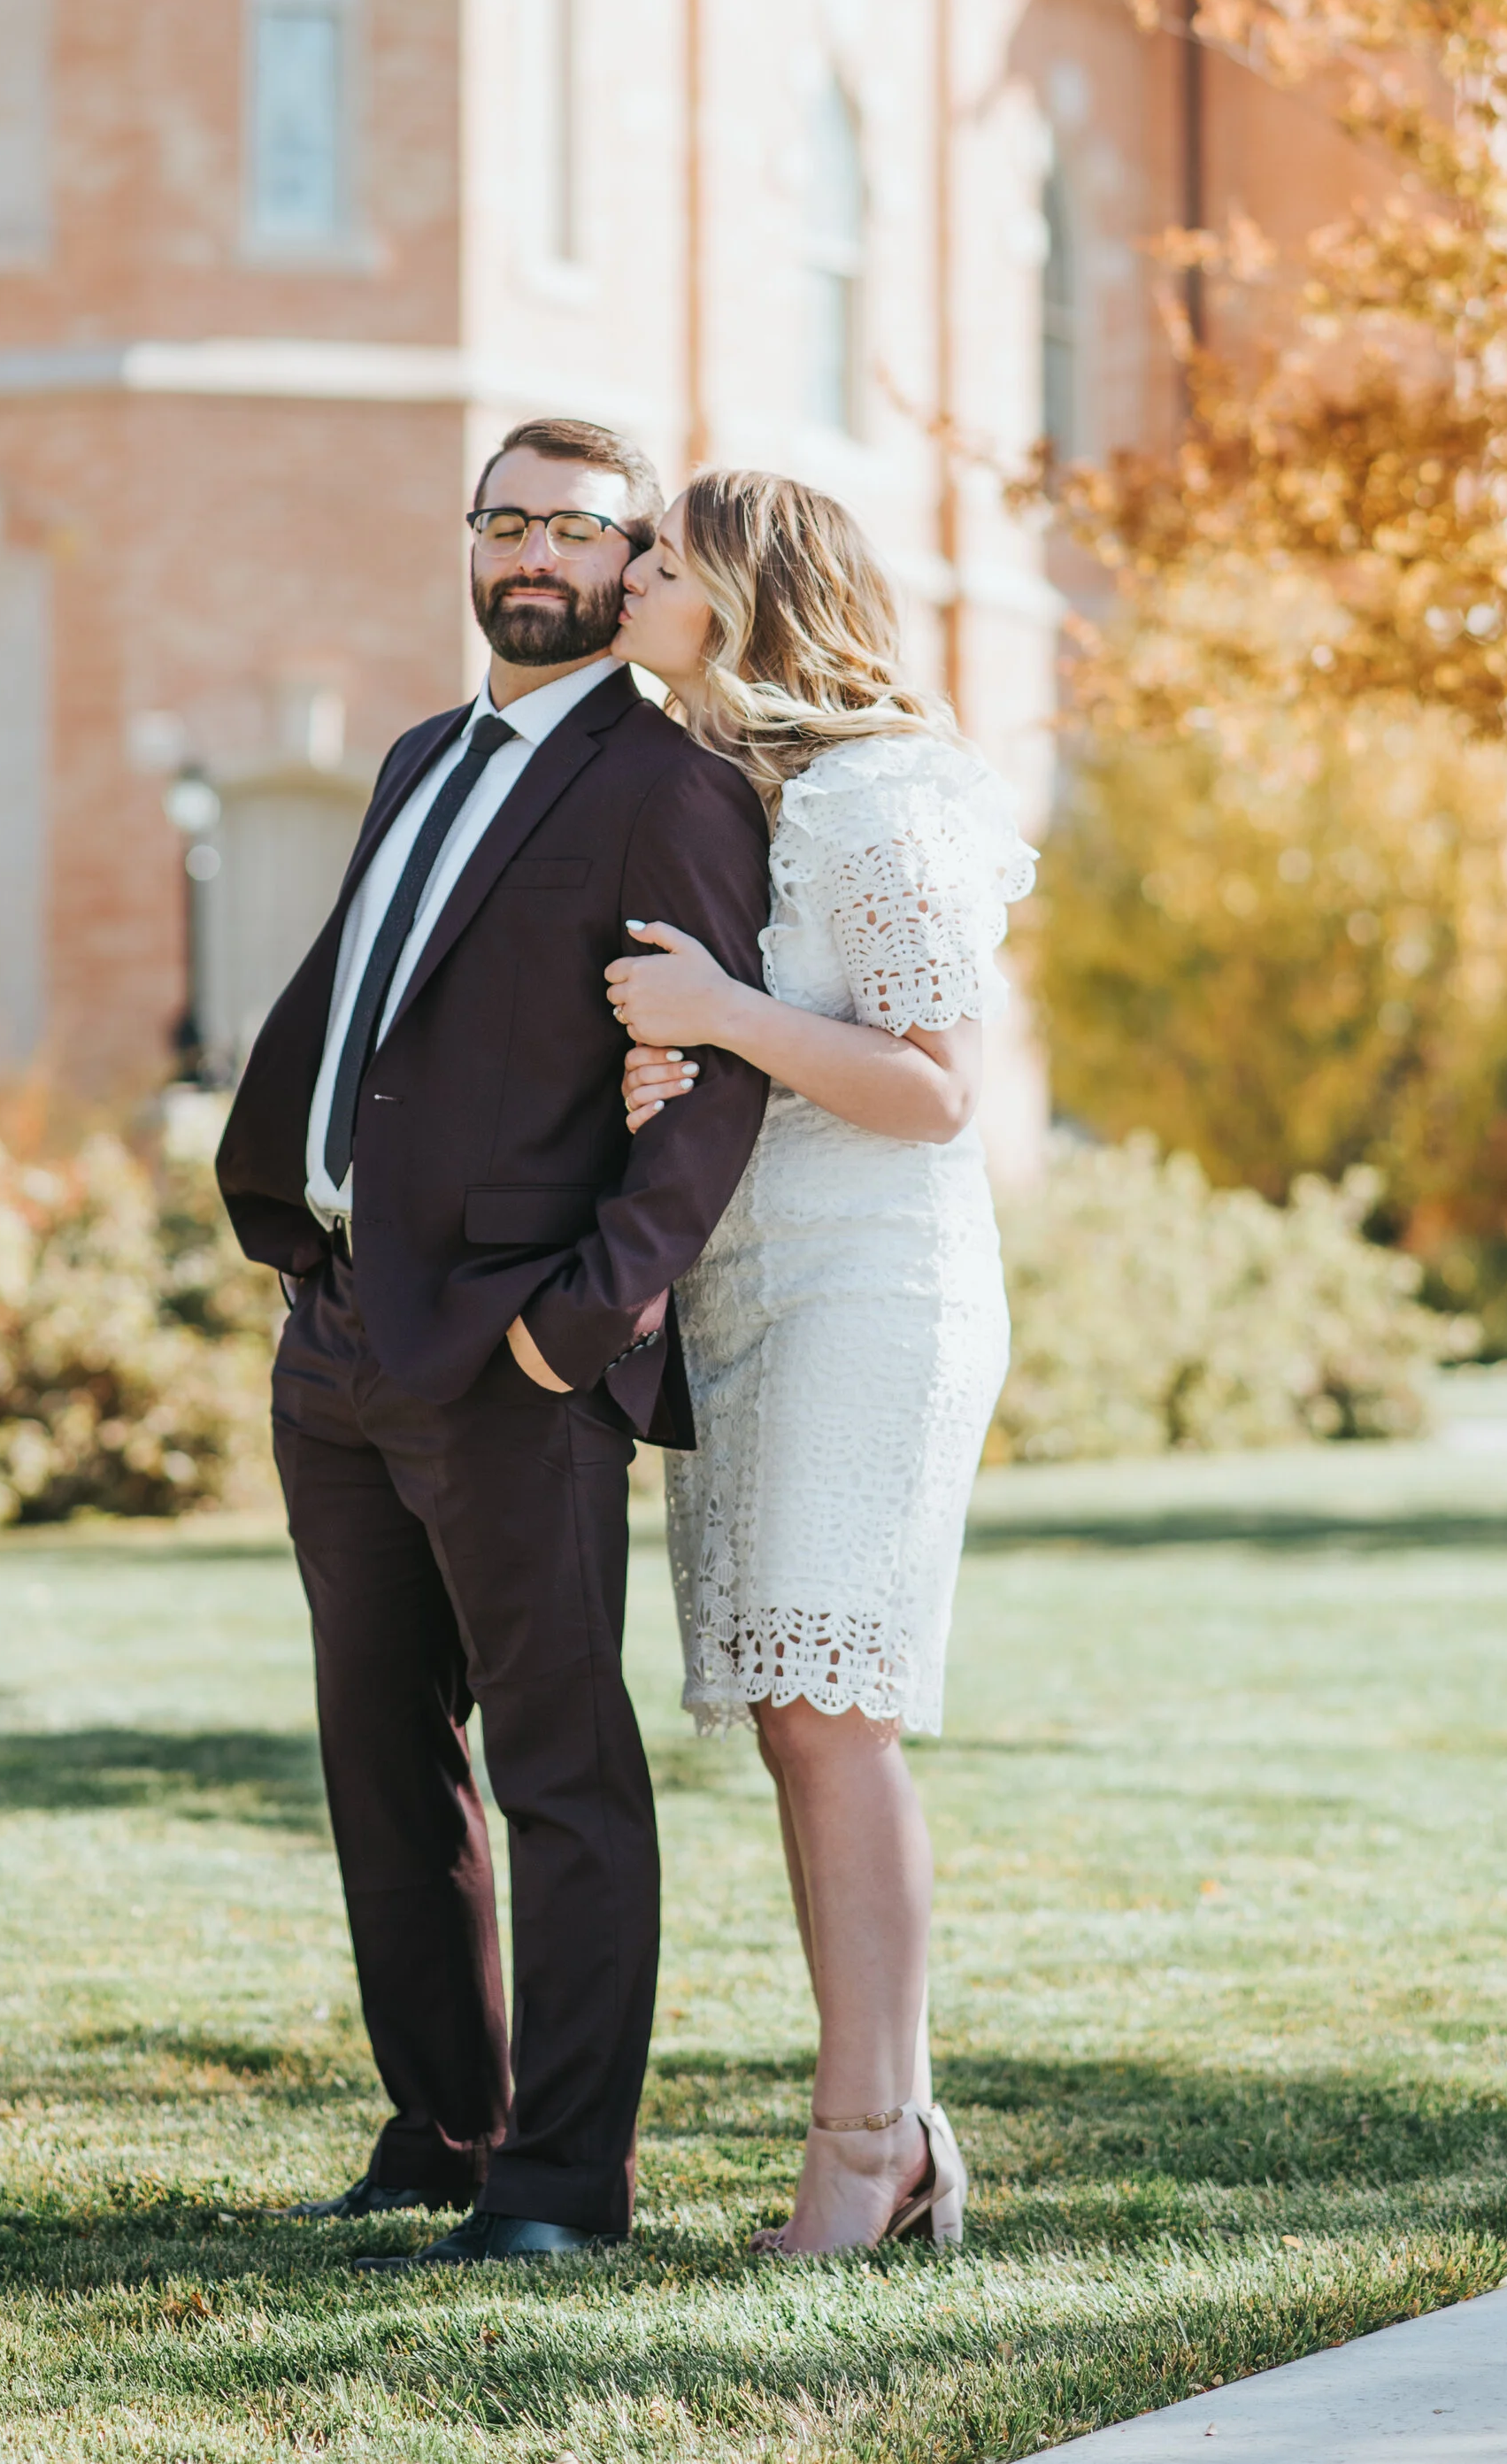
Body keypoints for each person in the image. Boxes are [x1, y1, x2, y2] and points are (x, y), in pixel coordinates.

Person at [215, 419, 772, 2268]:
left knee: (560, 1766)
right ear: (469, 540)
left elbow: (706, 1093)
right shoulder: (417, 756)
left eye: (578, 530)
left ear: (634, 562)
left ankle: (559, 2186)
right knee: (382, 1754)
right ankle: (440, 2133)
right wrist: (297, 1243)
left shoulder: (667, 784)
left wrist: (579, 1326)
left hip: (515, 1354)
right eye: (507, 519)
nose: (535, 554)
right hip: (340, 1330)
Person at [604, 468, 1035, 2256]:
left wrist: (723, 1016)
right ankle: (890, 2129)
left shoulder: (873, 797)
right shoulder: (744, 794)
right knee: (798, 1723)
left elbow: (936, 1088)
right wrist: (682, 1067)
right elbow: (789, 1057)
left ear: (741, 591)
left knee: (832, 1715)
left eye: (657, 555)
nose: (627, 574)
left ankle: (867, 2152)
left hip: (875, 1293)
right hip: (753, 1293)